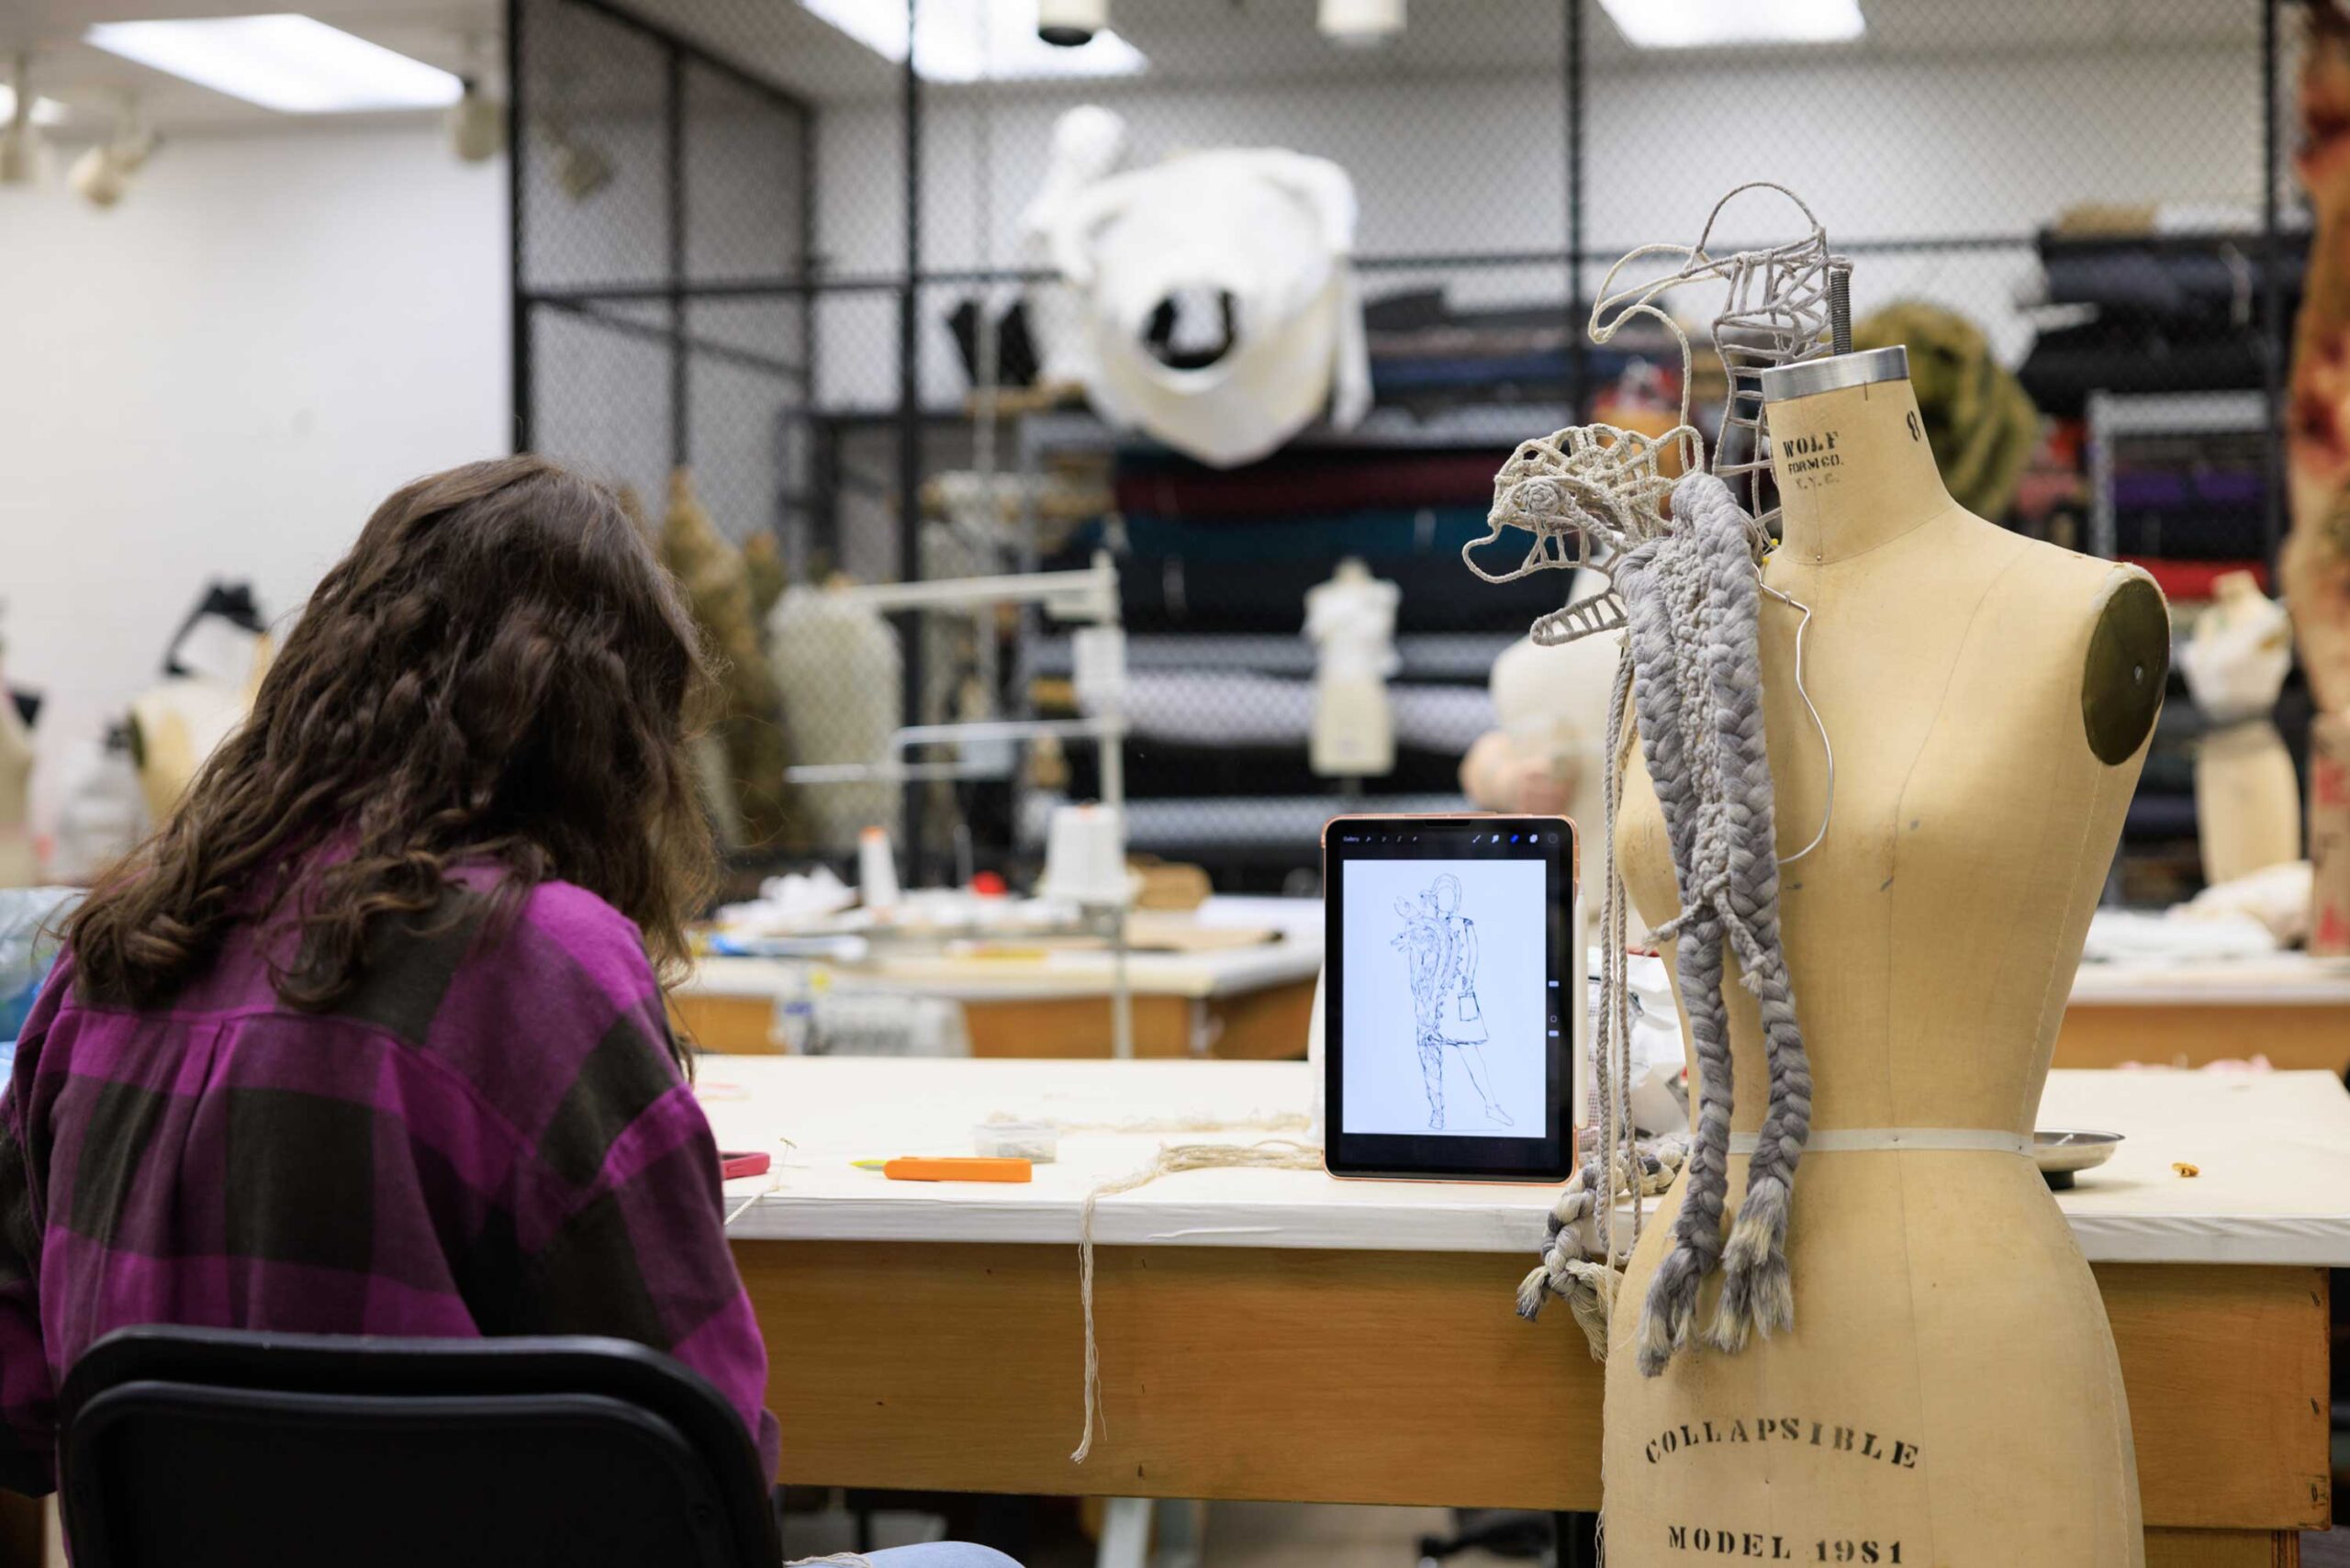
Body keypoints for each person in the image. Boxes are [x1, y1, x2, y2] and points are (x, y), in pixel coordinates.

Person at [0, 457, 1013, 1568]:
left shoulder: (109, 960)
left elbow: (17, 1398)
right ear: (610, 739)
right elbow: (703, 1451)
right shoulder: (539, 962)